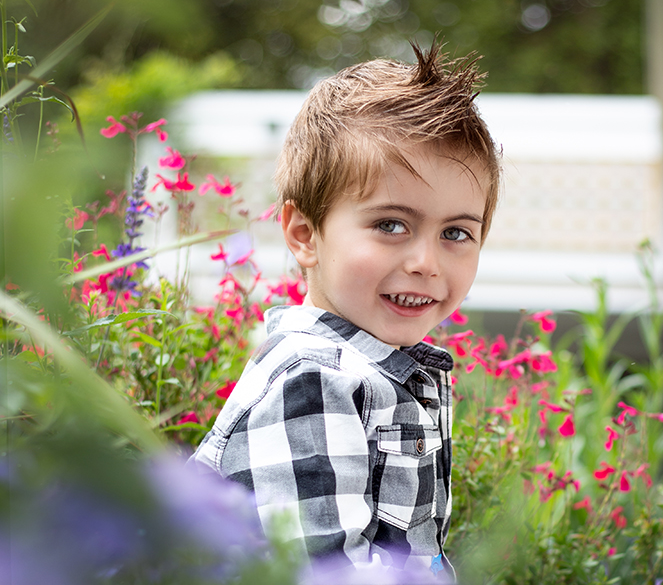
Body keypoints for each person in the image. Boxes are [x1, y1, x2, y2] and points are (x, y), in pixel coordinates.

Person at [189, 42, 501, 580]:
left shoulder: (381, 370)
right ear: (305, 235)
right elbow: (321, 572)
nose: (426, 262)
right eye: (390, 225)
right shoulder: (313, 379)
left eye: (456, 233)